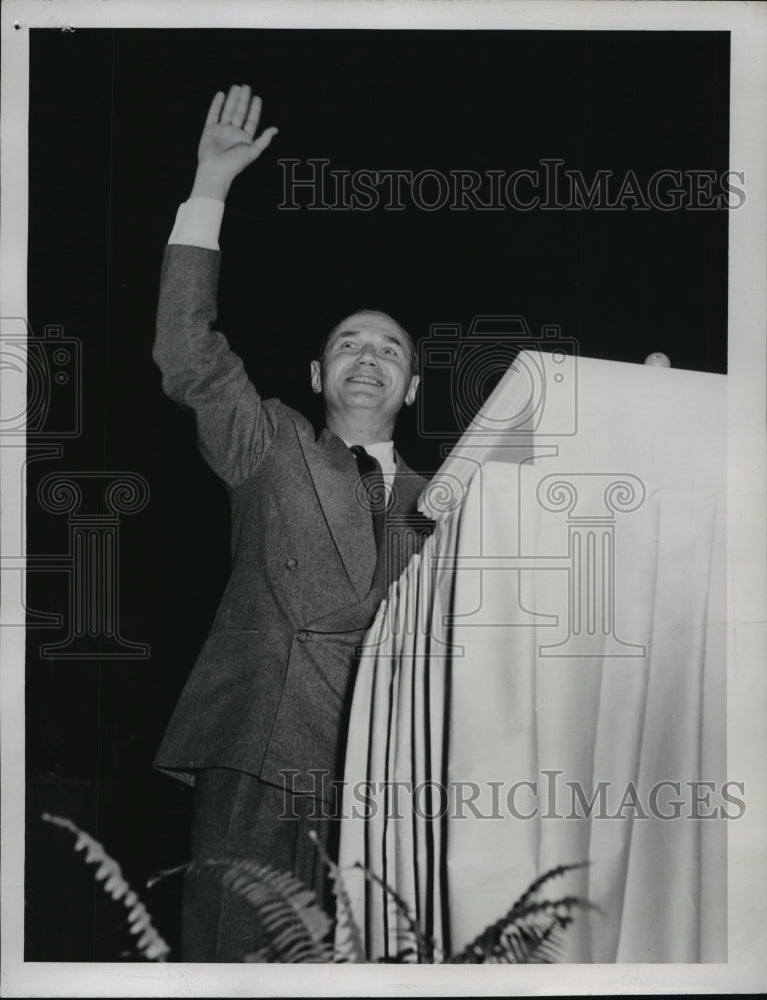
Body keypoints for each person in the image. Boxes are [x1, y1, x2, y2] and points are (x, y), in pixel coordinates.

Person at [152, 84, 433, 961]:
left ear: (411, 389)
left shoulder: (450, 497)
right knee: (230, 960)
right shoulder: (267, 442)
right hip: (258, 750)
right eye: (350, 342)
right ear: (316, 374)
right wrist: (211, 186)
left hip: (382, 772)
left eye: (390, 349)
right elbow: (187, 353)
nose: (369, 357)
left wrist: (636, 402)